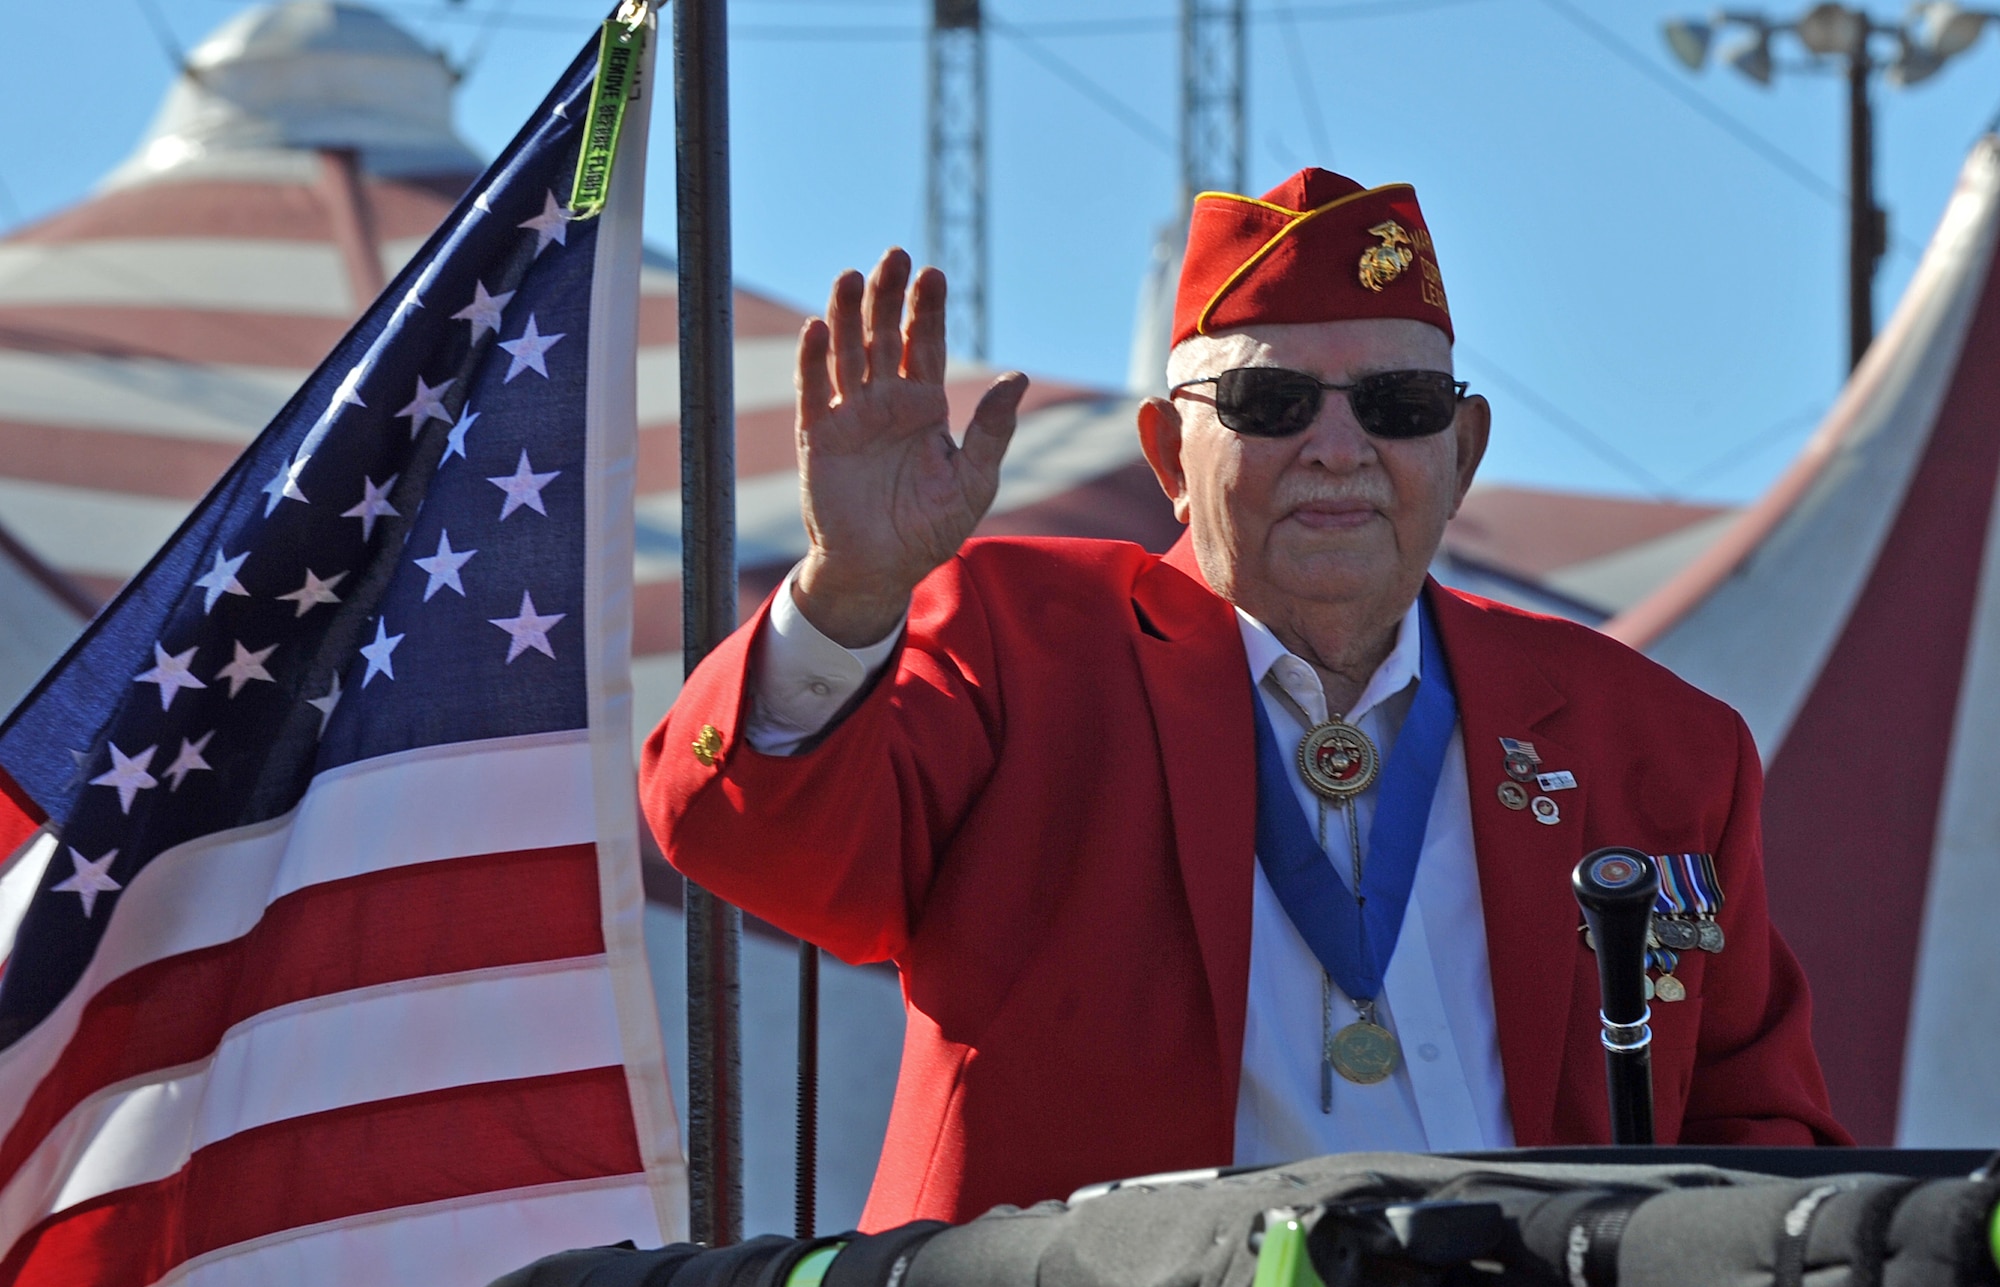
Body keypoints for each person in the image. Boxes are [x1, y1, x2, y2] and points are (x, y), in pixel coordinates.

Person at [642, 168, 1847, 1230]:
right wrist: (849, 590)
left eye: (1398, 406)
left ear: (1462, 451)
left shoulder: (1655, 743)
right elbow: (744, 834)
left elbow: (1761, 1141)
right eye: (1271, 407)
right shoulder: (1022, 646)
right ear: (1168, 454)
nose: (1338, 447)